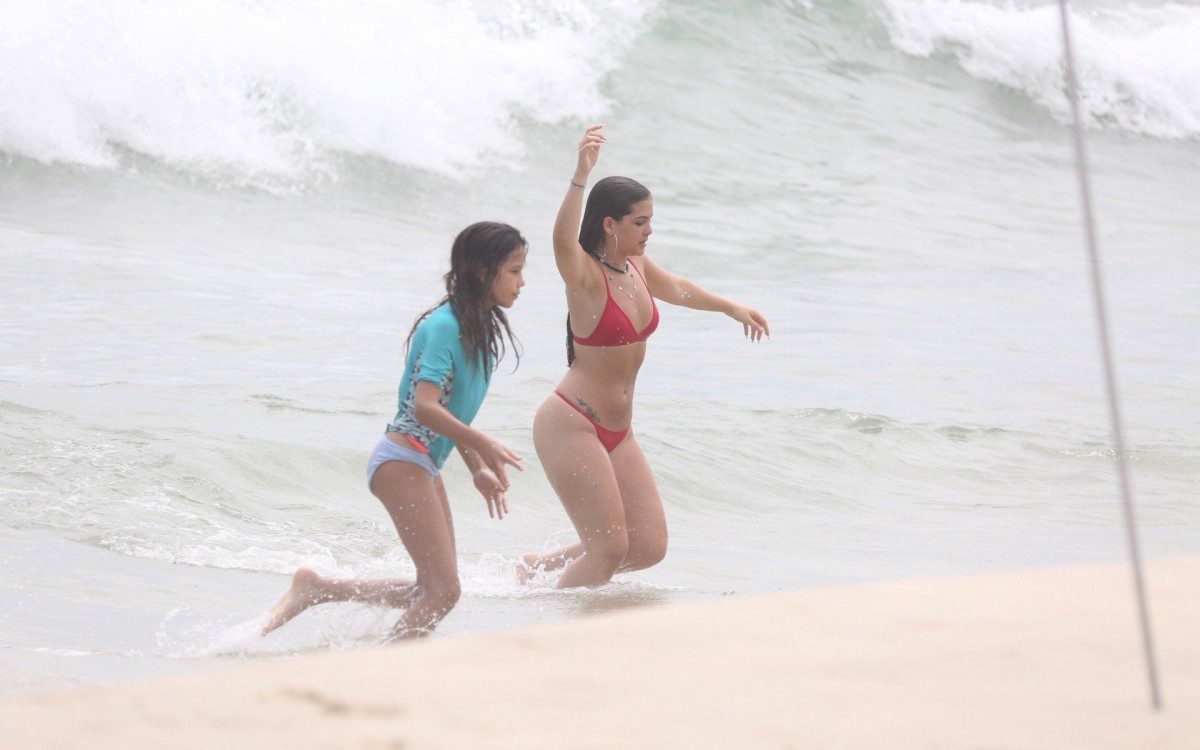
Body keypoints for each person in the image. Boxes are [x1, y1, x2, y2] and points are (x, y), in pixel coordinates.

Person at [519, 125, 769, 588]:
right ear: (610, 224)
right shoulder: (585, 276)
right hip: (573, 421)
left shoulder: (633, 266)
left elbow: (676, 288)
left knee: (647, 547)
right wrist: (580, 175)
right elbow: (560, 242)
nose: (650, 230)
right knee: (610, 550)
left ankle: (537, 567)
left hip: (618, 429)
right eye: (640, 221)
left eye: (651, 220)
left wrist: (730, 308)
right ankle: (554, 632)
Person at [262, 221, 527, 639]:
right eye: (514, 270)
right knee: (444, 593)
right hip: (402, 461)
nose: (522, 282)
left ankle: (318, 589)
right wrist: (483, 442)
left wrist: (476, 466)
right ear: (483, 271)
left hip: (419, 464)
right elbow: (425, 407)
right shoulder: (445, 326)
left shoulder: (475, 329)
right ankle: (384, 670)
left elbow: (448, 410)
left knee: (430, 589)